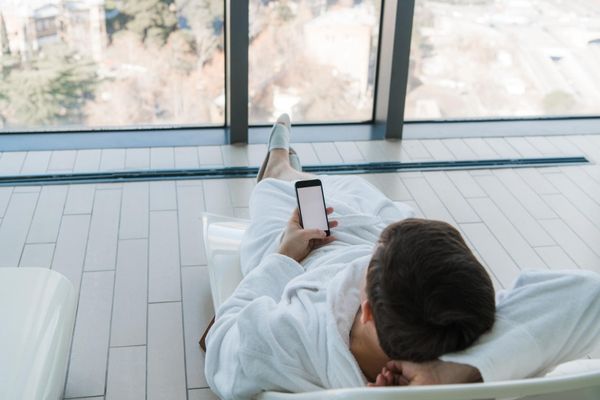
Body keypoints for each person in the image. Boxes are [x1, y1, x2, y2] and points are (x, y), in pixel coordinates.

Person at [205, 115, 600, 400]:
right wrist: (451, 372)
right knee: (371, 203)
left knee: (278, 194)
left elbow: (220, 344)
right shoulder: (467, 332)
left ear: (367, 310)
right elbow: (590, 296)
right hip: (372, 230)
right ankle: (305, 178)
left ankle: (279, 164)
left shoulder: (289, 336)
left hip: (305, 260)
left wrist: (283, 256)